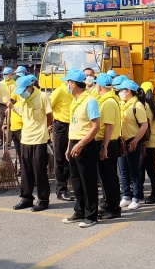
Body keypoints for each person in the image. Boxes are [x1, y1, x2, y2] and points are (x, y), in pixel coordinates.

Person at [61, 69, 102, 228]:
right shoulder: (75, 100)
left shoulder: (90, 101)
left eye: (68, 82)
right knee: (76, 180)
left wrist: (80, 144)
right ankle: (79, 210)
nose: (67, 85)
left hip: (85, 145)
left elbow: (95, 126)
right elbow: (73, 125)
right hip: (74, 143)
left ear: (74, 83)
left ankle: (91, 215)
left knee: (88, 181)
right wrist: (69, 145)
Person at [13, 75, 53, 212]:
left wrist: (45, 128)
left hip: (39, 139)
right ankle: (26, 198)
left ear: (30, 87)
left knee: (39, 170)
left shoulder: (42, 96)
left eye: (23, 91)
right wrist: (12, 107)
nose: (21, 94)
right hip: (25, 139)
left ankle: (43, 200)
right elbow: (22, 114)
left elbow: (50, 115)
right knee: (26, 171)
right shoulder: (23, 98)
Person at [94, 73, 123, 220]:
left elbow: (108, 126)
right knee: (106, 177)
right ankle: (107, 203)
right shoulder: (108, 100)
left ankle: (114, 208)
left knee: (110, 178)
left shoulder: (108, 103)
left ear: (99, 86)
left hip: (109, 143)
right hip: (108, 143)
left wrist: (104, 147)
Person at [116, 79, 148, 210]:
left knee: (134, 171)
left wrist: (135, 141)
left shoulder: (137, 106)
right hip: (122, 141)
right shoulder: (122, 104)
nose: (119, 92)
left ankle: (136, 197)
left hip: (133, 140)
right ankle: (126, 196)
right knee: (123, 170)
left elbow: (144, 125)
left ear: (128, 91)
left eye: (121, 90)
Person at [50, 75, 75, 201]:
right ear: (68, 82)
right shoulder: (59, 91)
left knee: (69, 157)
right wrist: (49, 124)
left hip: (73, 126)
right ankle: (61, 190)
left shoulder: (74, 92)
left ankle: (68, 186)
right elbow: (48, 108)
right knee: (60, 158)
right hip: (60, 126)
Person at [138, 82, 155, 204]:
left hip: (147, 142)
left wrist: (143, 144)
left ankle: (149, 193)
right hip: (154, 141)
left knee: (143, 169)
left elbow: (145, 126)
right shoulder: (153, 105)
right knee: (150, 169)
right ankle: (153, 192)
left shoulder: (145, 107)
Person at [0, 67, 15, 148]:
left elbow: (14, 97)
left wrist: (9, 107)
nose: (5, 75)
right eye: (4, 74)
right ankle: (2, 138)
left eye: (6, 74)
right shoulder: (0, 83)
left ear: (10, 74)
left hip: (10, 105)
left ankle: (8, 142)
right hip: (1, 105)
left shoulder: (14, 84)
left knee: (9, 124)